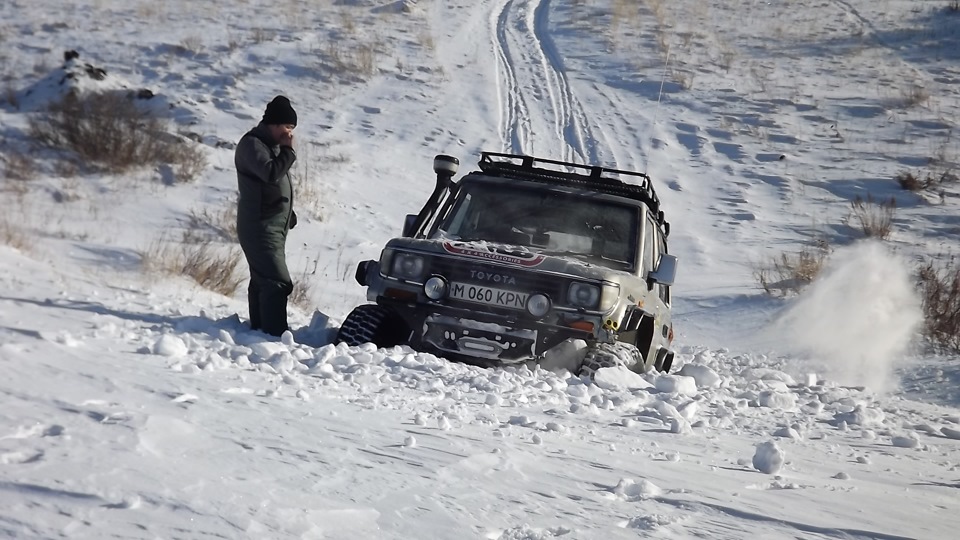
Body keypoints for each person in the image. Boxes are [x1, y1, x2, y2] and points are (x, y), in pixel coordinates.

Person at [235, 95, 299, 336]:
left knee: (263, 280)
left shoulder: (269, 147)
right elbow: (270, 173)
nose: (289, 133)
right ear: (273, 124)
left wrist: (286, 213)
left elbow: (272, 187)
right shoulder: (252, 145)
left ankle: (259, 331)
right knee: (277, 281)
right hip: (259, 225)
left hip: (271, 223)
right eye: (287, 127)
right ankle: (273, 335)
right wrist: (288, 152)